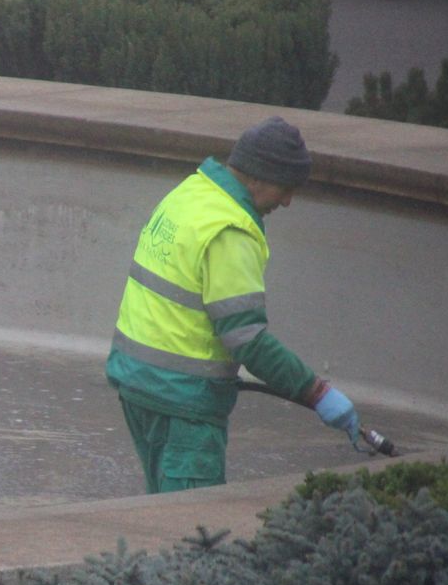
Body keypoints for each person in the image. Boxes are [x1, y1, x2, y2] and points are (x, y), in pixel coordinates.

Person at [105, 115, 360, 494]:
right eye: (285, 188)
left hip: (138, 384)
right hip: (183, 403)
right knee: (192, 532)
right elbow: (248, 341)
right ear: (257, 177)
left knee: (159, 515)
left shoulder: (191, 193)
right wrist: (316, 392)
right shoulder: (231, 230)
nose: (287, 202)